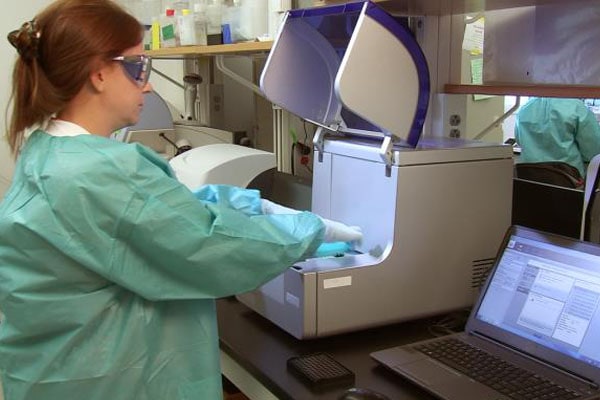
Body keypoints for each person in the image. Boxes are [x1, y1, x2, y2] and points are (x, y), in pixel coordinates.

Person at [0, 1, 361, 399]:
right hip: (107, 379)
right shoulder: (103, 171)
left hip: (51, 371)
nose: (148, 84)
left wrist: (251, 205)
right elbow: (211, 247)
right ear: (98, 73)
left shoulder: (48, 152)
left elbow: (166, 212)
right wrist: (309, 228)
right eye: (138, 67)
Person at [514, 97, 600, 178]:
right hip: (568, 180)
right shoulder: (577, 108)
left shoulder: (525, 108)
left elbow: (519, 141)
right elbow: (594, 151)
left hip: (529, 177)